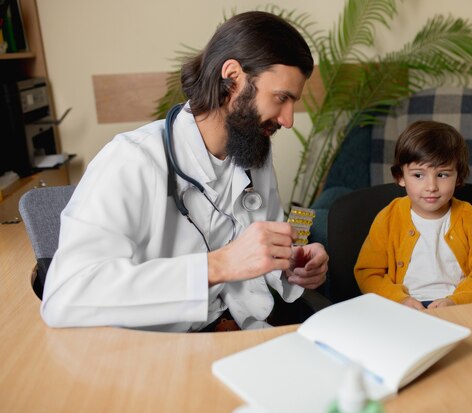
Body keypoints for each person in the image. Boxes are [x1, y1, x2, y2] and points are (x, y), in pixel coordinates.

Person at [41, 11, 328, 332]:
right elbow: (65, 296)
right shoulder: (132, 160)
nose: (288, 119)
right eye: (281, 98)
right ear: (233, 77)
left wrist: (292, 264)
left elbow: (259, 251)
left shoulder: (253, 150)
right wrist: (216, 265)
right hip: (165, 349)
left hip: (242, 331)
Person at [354, 120, 472, 310]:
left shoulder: (471, 219)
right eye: (418, 175)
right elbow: (368, 273)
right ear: (400, 177)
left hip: (459, 308)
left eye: (442, 175)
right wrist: (399, 300)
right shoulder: (388, 219)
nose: (431, 187)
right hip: (400, 310)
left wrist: (457, 301)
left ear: (458, 177)